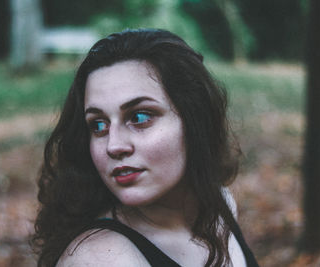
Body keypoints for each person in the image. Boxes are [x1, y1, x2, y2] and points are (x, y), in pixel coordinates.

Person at [32, 28, 259, 267]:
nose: (114, 145)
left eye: (139, 118)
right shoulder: (102, 258)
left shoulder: (220, 206)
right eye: (98, 125)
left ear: (195, 120)